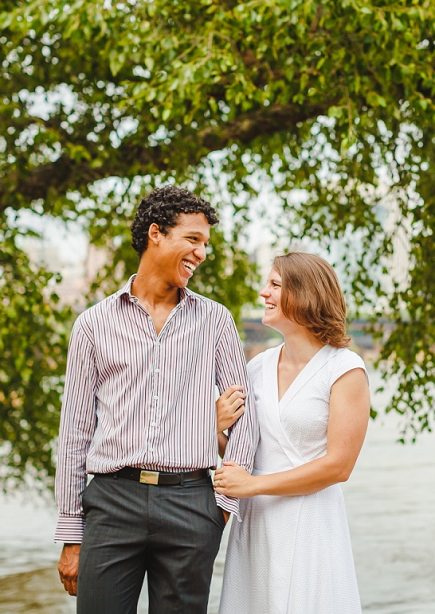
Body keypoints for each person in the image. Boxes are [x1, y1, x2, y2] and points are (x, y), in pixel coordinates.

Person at [54, 186, 257, 614]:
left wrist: (219, 509)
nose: (202, 252)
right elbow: (74, 435)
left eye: (206, 243)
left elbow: (246, 422)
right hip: (111, 504)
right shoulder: (92, 325)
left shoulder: (215, 320)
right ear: (155, 234)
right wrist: (72, 536)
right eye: (193, 239)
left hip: (191, 504)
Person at [215, 252, 372, 613]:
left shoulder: (345, 369)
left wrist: (252, 485)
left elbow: (339, 467)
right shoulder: (256, 367)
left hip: (311, 524)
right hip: (256, 525)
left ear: (304, 294)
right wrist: (215, 427)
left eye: (274, 285)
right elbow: (242, 452)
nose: (262, 293)